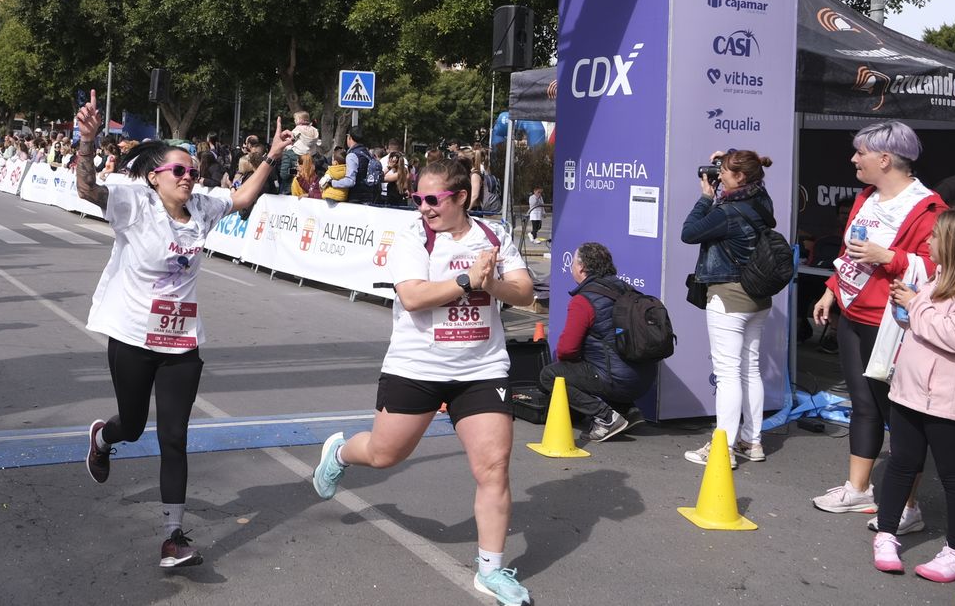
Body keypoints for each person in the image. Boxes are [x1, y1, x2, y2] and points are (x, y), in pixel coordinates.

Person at [74, 91, 289, 570]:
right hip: (131, 337)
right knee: (132, 427)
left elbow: (244, 196)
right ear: (155, 177)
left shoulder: (204, 210)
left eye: (193, 171)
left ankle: (173, 535)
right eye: (180, 171)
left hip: (181, 343)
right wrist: (87, 143)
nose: (190, 177)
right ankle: (103, 439)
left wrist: (273, 156)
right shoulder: (133, 204)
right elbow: (88, 190)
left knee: (175, 436)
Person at [310, 158, 536, 606]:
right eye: (418, 198)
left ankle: (491, 571)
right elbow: (412, 297)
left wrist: (492, 286)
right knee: (384, 453)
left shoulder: (493, 236)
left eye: (433, 200)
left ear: (461, 198)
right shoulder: (415, 234)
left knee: (493, 467)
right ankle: (338, 452)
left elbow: (525, 293)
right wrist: (467, 279)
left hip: (481, 368)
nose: (424, 207)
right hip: (417, 367)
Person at [811, 121, 946, 518]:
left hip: (894, 324)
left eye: (860, 153)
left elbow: (940, 267)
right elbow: (852, 253)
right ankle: (858, 488)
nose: (854, 159)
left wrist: (889, 257)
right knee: (863, 405)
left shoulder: (930, 208)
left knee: (901, 417)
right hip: (854, 316)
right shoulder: (866, 196)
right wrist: (831, 289)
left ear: (885, 159)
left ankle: (908, 505)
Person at [870, 208, 955, 583]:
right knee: (901, 464)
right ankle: (888, 535)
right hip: (908, 392)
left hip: (949, 400)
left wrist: (914, 304)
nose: (929, 241)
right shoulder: (935, 280)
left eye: (936, 236)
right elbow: (919, 326)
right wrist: (903, 307)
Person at [679, 148, 779, 466]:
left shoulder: (726, 212)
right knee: (749, 368)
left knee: (727, 374)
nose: (717, 174)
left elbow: (689, 233)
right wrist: (729, 155)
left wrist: (706, 197)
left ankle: (723, 447)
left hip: (728, 296)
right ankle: (753, 442)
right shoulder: (762, 200)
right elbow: (750, 168)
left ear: (739, 177)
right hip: (758, 298)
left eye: (723, 171)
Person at [541, 242, 653, 443]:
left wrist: (570, 362)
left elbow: (567, 349)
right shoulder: (627, 289)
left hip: (616, 380)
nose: (571, 267)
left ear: (582, 268)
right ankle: (629, 411)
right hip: (644, 379)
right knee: (604, 361)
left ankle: (606, 417)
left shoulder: (584, 299)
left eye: (573, 263)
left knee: (550, 375)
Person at [330, 128, 382, 204]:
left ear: (349, 137)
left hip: (357, 199)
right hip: (370, 197)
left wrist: (332, 183)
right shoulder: (367, 153)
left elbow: (350, 181)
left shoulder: (352, 155)